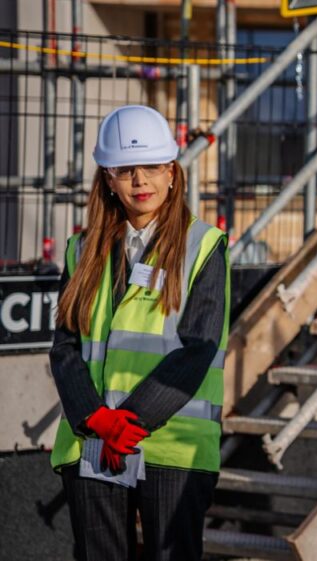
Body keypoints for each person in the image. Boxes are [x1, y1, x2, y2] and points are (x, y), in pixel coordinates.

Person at [49, 105, 229, 561]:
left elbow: (199, 348)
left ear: (171, 171)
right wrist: (98, 420)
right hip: (93, 439)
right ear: (108, 179)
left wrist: (130, 422)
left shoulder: (202, 245)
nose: (139, 180)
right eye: (125, 169)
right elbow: (65, 349)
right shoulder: (81, 251)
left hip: (172, 446)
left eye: (151, 166)